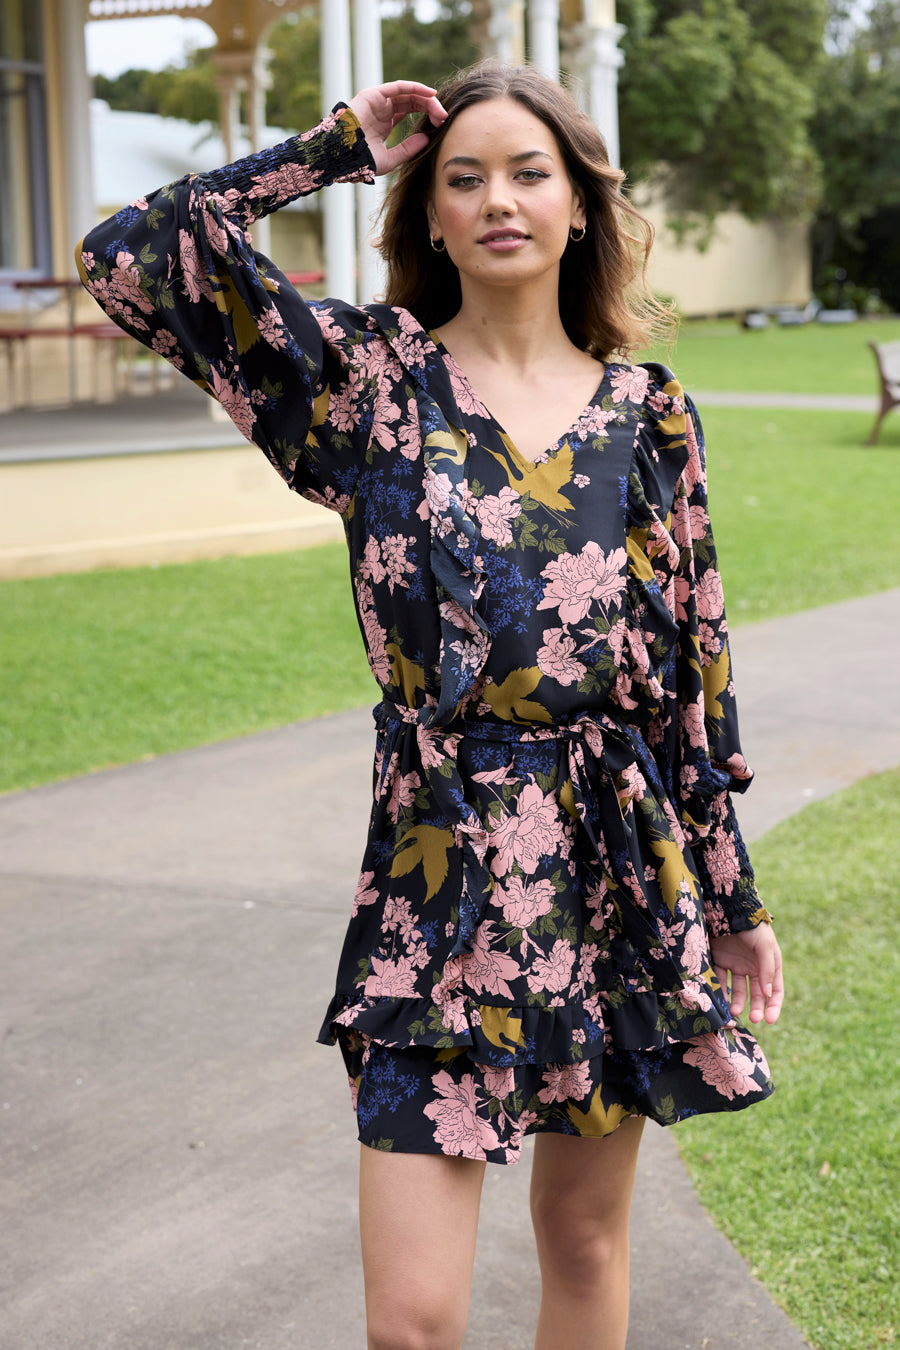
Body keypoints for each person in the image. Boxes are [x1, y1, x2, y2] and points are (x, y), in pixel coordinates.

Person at [78, 61, 784, 1350]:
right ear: (430, 214)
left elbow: (697, 675)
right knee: (412, 1319)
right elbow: (133, 252)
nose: (498, 200)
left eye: (530, 174)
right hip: (439, 864)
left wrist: (731, 898)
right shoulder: (364, 385)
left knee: (583, 1241)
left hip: (614, 858)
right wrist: (338, 145)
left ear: (581, 209)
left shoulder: (654, 414)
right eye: (464, 178)